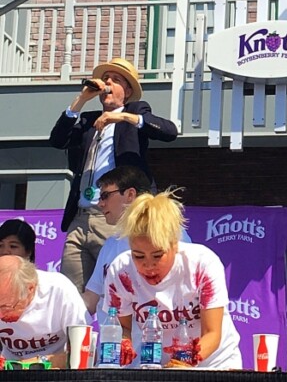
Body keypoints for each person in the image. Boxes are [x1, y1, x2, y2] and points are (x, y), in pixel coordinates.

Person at [49, 57, 178, 293]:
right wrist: (81, 99)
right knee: (72, 293)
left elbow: (170, 131)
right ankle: (78, 331)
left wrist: (122, 116)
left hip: (118, 217)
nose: (107, 83)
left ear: (127, 91)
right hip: (81, 216)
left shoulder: (135, 111)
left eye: (115, 80)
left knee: (122, 289)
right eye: (105, 78)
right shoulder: (88, 120)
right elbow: (57, 140)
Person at [102, 189, 242, 369]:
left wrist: (183, 364)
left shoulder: (202, 264)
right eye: (139, 256)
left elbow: (212, 333)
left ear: (174, 245)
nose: (148, 265)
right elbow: (123, 328)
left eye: (157, 255)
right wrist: (123, 343)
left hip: (213, 364)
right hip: (153, 366)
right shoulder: (121, 271)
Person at [83, 165, 191, 325]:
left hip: (155, 343)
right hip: (114, 345)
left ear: (130, 194)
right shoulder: (111, 244)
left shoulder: (171, 236)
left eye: (105, 195)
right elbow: (91, 298)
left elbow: (184, 296)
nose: (100, 204)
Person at [0, 255, 87, 368]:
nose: (1, 315)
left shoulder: (58, 290)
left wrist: (34, 363)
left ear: (30, 288)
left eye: (6, 307)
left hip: (54, 371)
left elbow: (83, 350)